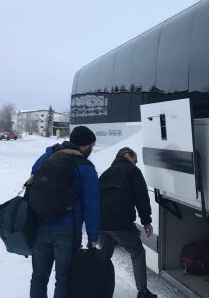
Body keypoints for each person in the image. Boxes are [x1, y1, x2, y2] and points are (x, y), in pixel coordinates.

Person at [29, 126, 99, 298]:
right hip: (67, 229)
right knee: (64, 278)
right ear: (85, 146)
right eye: (91, 145)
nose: (92, 149)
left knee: (38, 276)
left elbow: (32, 182)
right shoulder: (86, 167)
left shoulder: (47, 156)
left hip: (39, 225)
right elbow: (92, 205)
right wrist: (93, 237)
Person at [99, 148, 156, 298]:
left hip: (100, 222)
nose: (135, 163)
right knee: (137, 252)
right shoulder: (132, 171)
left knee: (104, 255)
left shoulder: (107, 172)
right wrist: (147, 221)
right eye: (135, 160)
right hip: (120, 223)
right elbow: (141, 197)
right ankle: (143, 292)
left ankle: (98, 287)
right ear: (127, 155)